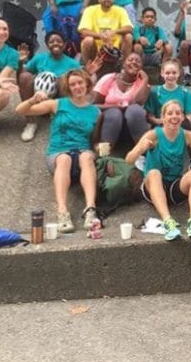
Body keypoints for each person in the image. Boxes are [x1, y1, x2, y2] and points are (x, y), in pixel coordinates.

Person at [15, 69, 101, 233]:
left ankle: (90, 209)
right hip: (58, 153)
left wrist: (98, 147)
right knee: (64, 159)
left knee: (87, 157)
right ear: (68, 88)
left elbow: (93, 140)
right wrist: (32, 100)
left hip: (83, 152)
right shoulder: (57, 104)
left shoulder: (95, 112)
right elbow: (20, 110)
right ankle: (62, 212)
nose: (77, 87)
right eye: (73, 84)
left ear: (87, 84)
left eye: (80, 83)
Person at [126, 100, 191, 240]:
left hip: (174, 187)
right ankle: (168, 222)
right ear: (163, 118)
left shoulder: (187, 135)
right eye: (170, 113)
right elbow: (128, 160)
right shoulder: (154, 135)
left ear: (183, 117)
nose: (174, 116)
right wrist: (140, 149)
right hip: (153, 186)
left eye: (178, 113)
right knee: (154, 172)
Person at [18, 31, 96, 142]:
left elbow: (82, 84)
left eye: (59, 41)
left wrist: (88, 73)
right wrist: (21, 63)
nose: (55, 43)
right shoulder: (40, 58)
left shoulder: (72, 63)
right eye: (51, 41)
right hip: (38, 98)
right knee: (24, 76)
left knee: (64, 79)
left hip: (58, 103)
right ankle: (31, 122)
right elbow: (21, 79)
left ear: (64, 45)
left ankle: (62, 119)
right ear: (47, 45)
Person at [92, 52, 150, 149]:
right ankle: (103, 154)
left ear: (141, 67)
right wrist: (115, 106)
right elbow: (94, 105)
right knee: (114, 113)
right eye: (130, 60)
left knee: (134, 110)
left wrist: (145, 79)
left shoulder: (143, 84)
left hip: (132, 131)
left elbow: (138, 103)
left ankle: (143, 152)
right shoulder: (109, 78)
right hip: (109, 125)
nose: (134, 62)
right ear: (123, 64)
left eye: (138, 61)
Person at [78, 0, 133, 65]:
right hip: (96, 48)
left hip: (115, 48)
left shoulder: (121, 10)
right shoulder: (89, 10)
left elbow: (129, 28)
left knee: (128, 36)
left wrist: (114, 31)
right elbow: (84, 31)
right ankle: (89, 67)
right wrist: (101, 36)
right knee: (88, 40)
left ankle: (123, 65)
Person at [145, 58, 191, 130]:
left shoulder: (185, 92)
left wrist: (177, 122)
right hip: (161, 126)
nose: (171, 76)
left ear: (179, 73)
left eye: (174, 73)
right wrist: (159, 121)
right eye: (167, 73)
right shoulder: (154, 92)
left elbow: (189, 116)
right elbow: (150, 116)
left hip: (179, 126)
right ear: (162, 73)